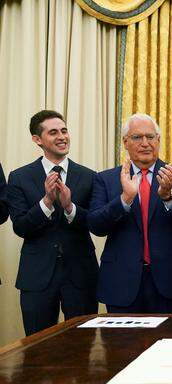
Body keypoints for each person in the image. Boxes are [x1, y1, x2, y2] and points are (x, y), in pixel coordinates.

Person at [88, 113, 172, 313]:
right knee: (123, 344)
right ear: (125, 142)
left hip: (170, 280)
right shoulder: (105, 179)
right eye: (137, 137)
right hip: (121, 281)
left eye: (150, 137)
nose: (145, 143)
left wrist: (169, 196)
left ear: (158, 141)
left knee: (170, 343)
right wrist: (125, 199)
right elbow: (96, 225)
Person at [5, 110, 98, 335]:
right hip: (37, 276)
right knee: (37, 349)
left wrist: (69, 207)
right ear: (38, 140)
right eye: (53, 132)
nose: (62, 137)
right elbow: (20, 226)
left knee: (81, 348)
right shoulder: (19, 177)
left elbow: (95, 223)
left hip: (80, 275)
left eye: (64, 131)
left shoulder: (89, 176)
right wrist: (46, 201)